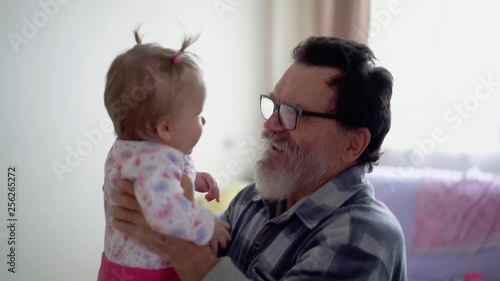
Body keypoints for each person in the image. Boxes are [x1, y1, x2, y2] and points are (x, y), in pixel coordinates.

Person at [109, 36, 407, 280]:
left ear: (353, 144)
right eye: (274, 106)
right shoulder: (254, 199)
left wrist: (180, 249)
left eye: (293, 113)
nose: (270, 124)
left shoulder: (362, 237)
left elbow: (195, 259)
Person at [97, 29, 231, 281]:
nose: (203, 119)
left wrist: (192, 177)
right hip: (147, 274)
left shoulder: (128, 150)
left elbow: (155, 186)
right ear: (165, 128)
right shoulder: (155, 163)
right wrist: (207, 225)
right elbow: (164, 212)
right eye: (196, 114)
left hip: (120, 266)